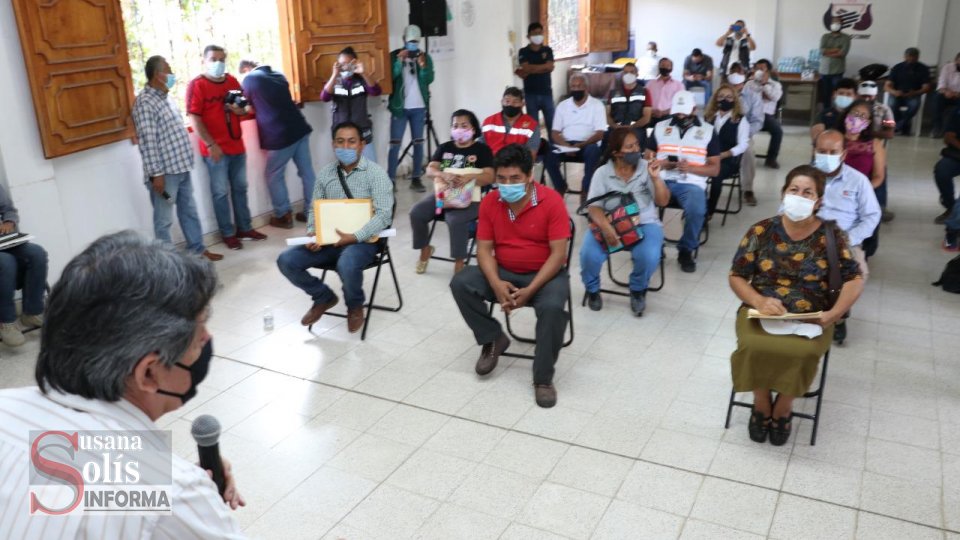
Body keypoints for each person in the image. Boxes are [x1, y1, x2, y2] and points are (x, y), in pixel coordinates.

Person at [0, 231, 246, 537]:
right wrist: (189, 494)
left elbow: (53, 481)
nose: (208, 340)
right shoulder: (178, 496)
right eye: (199, 335)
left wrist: (156, 475)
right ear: (148, 374)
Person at [728, 165, 864, 446]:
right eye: (794, 190)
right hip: (761, 311)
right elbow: (737, 275)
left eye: (808, 192)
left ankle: (785, 406)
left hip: (813, 318)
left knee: (802, 352)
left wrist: (834, 314)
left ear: (819, 201)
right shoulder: (761, 230)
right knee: (754, 346)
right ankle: (762, 401)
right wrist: (757, 299)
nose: (799, 196)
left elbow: (854, 279)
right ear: (783, 193)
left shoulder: (832, 236)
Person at [449, 144, 571, 408]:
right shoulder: (492, 201)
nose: (507, 184)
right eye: (501, 179)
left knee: (552, 308)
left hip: (545, 275)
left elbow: (558, 255)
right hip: (503, 271)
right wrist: (496, 283)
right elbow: (483, 250)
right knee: (461, 282)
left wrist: (530, 290)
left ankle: (543, 379)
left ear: (529, 176)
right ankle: (493, 337)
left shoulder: (552, 201)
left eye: (514, 178)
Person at [277, 122, 393, 334]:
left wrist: (355, 236)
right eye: (340, 142)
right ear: (333, 145)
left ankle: (355, 305)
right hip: (328, 241)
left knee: (347, 262)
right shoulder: (325, 174)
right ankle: (323, 297)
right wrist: (313, 232)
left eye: (351, 141)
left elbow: (384, 215)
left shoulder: (376, 174)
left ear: (362, 145)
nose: (345, 147)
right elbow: (315, 208)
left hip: (363, 242)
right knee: (286, 260)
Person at [132, 55, 222, 262]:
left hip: (181, 168)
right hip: (165, 175)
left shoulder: (166, 97)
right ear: (157, 75)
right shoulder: (145, 103)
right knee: (164, 220)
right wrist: (157, 175)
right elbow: (148, 142)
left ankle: (198, 250)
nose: (172, 74)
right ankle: (168, 263)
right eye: (168, 70)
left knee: (188, 211)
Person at [186, 45, 267, 250]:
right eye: (213, 59)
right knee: (220, 193)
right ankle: (228, 233)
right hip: (215, 150)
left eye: (221, 59)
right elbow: (194, 117)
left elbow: (245, 109)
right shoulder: (197, 85)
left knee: (240, 188)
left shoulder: (231, 81)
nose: (218, 63)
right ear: (204, 60)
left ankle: (245, 228)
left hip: (237, 146)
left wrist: (237, 109)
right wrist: (210, 144)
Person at [581, 128, 668, 316]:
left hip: (645, 222)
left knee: (649, 255)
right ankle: (593, 289)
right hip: (611, 221)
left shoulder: (647, 167)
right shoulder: (602, 173)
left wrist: (656, 178)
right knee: (588, 254)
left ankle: (637, 289)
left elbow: (663, 201)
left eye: (637, 144)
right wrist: (605, 228)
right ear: (616, 153)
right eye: (630, 147)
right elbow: (594, 207)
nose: (637, 149)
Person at [813, 130, 880, 343]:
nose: (827, 155)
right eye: (822, 151)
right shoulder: (806, 176)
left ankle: (838, 316)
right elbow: (785, 208)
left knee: (857, 275)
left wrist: (849, 239)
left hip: (844, 238)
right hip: (808, 234)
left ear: (843, 154)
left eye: (833, 152)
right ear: (814, 151)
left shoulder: (858, 181)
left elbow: (871, 215)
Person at [410, 110, 494, 274]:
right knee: (416, 213)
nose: (459, 129)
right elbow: (430, 170)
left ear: (474, 129)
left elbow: (490, 177)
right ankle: (425, 249)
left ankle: (459, 262)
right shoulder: (445, 148)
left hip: (470, 199)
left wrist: (471, 177)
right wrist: (441, 174)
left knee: (454, 220)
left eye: (464, 125)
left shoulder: (481, 150)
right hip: (443, 195)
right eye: (455, 126)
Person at [646, 90, 721, 273]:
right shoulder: (661, 126)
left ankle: (686, 249)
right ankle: (651, 246)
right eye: (677, 112)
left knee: (696, 210)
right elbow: (648, 154)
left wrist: (691, 168)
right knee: (638, 201)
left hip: (691, 182)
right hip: (661, 178)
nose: (680, 116)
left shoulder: (708, 131)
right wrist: (659, 162)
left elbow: (715, 169)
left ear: (694, 109)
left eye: (684, 113)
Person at [243, 61, 315, 229]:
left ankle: (283, 215)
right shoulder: (278, 76)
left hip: (279, 135)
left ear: (246, 69)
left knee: (273, 174)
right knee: (307, 172)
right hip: (299, 128)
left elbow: (246, 106)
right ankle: (312, 213)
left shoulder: (250, 79)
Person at [543, 73, 607, 196]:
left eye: (579, 86)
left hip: (588, 144)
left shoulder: (597, 105)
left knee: (594, 151)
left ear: (586, 88)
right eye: (573, 86)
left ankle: (586, 189)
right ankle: (560, 186)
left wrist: (581, 145)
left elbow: (600, 134)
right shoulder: (563, 106)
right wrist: (567, 146)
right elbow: (555, 133)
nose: (576, 89)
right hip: (566, 144)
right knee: (547, 152)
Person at [388, 25, 435, 192]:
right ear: (404, 40)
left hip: (419, 107)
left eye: (416, 41)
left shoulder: (425, 57)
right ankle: (391, 180)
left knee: (419, 143)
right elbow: (390, 78)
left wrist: (422, 67)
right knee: (394, 144)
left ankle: (416, 178)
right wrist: (399, 62)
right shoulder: (394, 56)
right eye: (410, 41)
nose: (413, 45)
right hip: (400, 107)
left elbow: (429, 79)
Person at [838, 100, 887, 258]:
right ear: (846, 115)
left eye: (862, 116)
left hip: (862, 190)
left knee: (867, 216)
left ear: (868, 122)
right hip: (834, 188)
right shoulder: (834, 138)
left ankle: (859, 249)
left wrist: (862, 190)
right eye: (854, 113)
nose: (856, 118)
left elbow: (879, 176)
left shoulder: (875, 144)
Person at [0, 184, 47, 347]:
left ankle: (32, 312)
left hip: (3, 239)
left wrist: (8, 222)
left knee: (37, 254)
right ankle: (6, 322)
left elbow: (8, 209)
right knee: (6, 262)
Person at [321, 47, 383, 164]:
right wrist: (334, 75)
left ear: (355, 63)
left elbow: (376, 92)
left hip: (362, 133)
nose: (346, 67)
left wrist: (363, 72)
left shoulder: (361, 80)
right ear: (338, 65)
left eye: (350, 63)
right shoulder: (335, 81)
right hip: (342, 135)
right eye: (343, 64)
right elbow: (324, 97)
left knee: (371, 167)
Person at [704, 84, 750, 217]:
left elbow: (743, 145)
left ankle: (709, 211)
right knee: (693, 172)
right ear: (716, 99)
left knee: (716, 174)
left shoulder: (740, 120)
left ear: (734, 100)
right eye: (721, 96)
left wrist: (724, 155)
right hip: (707, 158)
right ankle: (700, 206)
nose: (725, 100)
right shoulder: (709, 117)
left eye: (729, 97)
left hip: (728, 161)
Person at [728, 67, 763, 206]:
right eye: (732, 84)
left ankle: (747, 189)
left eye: (737, 85)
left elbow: (758, 121)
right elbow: (710, 114)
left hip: (744, 135)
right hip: (720, 135)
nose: (735, 88)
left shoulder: (753, 96)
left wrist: (743, 134)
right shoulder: (720, 94)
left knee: (748, 152)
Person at [516, 23, 556, 137]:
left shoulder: (548, 50)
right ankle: (537, 151)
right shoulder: (523, 51)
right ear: (528, 36)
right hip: (530, 94)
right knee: (533, 128)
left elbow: (549, 66)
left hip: (546, 93)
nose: (538, 35)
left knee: (552, 125)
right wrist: (544, 68)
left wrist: (530, 70)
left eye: (540, 33)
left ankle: (554, 150)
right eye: (534, 33)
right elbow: (528, 68)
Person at [480, 87, 541, 159]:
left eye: (515, 102)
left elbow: (531, 155)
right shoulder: (488, 122)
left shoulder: (532, 125)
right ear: (502, 101)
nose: (510, 105)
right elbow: (479, 148)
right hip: (490, 165)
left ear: (522, 104)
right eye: (507, 101)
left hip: (517, 167)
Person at [604, 62, 652, 153]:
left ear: (637, 74)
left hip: (636, 128)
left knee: (635, 144)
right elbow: (607, 115)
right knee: (607, 142)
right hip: (616, 128)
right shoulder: (613, 93)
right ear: (622, 74)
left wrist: (631, 126)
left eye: (632, 72)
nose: (628, 74)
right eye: (626, 72)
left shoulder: (644, 92)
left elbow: (647, 117)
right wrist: (615, 126)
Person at [884, 47, 932, 135]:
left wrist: (916, 92)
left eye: (914, 57)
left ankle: (898, 126)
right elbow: (887, 86)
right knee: (891, 104)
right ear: (905, 57)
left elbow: (926, 87)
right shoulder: (897, 67)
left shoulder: (923, 69)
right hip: (897, 94)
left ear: (917, 57)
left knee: (914, 105)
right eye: (909, 56)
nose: (911, 58)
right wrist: (894, 92)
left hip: (913, 94)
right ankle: (904, 125)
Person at [747, 59, 783, 169]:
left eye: (762, 69)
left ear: (769, 71)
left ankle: (771, 159)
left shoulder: (776, 84)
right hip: (750, 114)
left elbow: (775, 97)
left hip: (766, 115)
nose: (759, 71)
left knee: (777, 131)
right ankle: (741, 155)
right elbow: (746, 98)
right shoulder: (750, 84)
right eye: (757, 68)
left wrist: (765, 85)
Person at [818, 15, 852, 110]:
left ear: (842, 25)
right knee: (825, 94)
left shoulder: (846, 38)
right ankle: (826, 112)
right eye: (834, 22)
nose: (835, 24)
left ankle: (838, 113)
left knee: (839, 94)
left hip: (837, 71)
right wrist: (836, 49)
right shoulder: (825, 36)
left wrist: (828, 52)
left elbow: (842, 53)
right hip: (824, 71)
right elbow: (821, 51)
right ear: (830, 24)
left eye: (838, 22)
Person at [934, 107, 960, 225]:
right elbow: (948, 137)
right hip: (957, 154)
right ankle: (951, 207)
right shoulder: (957, 111)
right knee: (942, 170)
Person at [810, 77, 858, 141]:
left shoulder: (858, 116)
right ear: (834, 94)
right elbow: (817, 139)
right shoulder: (823, 115)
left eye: (848, 94)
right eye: (841, 93)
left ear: (855, 97)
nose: (844, 97)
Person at [646, 58, 685, 126]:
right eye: (663, 65)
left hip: (669, 115)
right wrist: (652, 111)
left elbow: (680, 104)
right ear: (659, 67)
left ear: (671, 68)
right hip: (650, 115)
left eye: (668, 65)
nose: (665, 67)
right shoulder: (650, 84)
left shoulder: (678, 85)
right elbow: (645, 101)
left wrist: (664, 112)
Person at [932, 52, 960, 138]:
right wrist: (946, 91)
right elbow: (941, 83)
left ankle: (952, 131)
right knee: (937, 99)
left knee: (956, 111)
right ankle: (937, 128)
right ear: (956, 60)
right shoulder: (947, 67)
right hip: (946, 94)